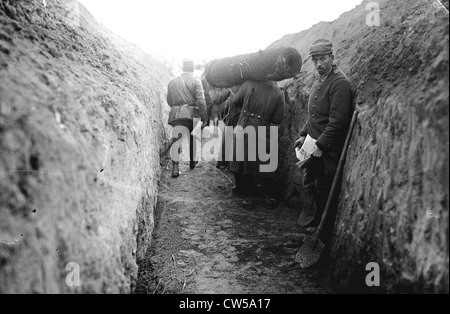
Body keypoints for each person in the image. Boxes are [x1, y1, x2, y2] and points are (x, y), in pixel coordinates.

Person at [294, 39, 354, 240]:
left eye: (323, 59)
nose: (319, 64)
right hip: (312, 144)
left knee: (324, 189)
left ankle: (324, 230)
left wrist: (320, 145)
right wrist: (303, 134)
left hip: (327, 149)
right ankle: (316, 218)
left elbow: (338, 122)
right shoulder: (319, 79)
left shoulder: (339, 84)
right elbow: (313, 114)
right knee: (310, 183)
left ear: (332, 57)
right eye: (316, 60)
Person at [229, 80, 285, 196]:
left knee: (244, 161)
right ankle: (268, 197)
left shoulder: (248, 84)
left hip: (245, 125)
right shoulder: (278, 91)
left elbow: (235, 101)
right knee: (264, 161)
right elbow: (277, 119)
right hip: (264, 128)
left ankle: (248, 196)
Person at [167, 60, 208, 178]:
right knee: (193, 138)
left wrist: (177, 108)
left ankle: (175, 168)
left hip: (176, 114)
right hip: (192, 114)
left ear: (183, 68)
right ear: (193, 69)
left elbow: (169, 100)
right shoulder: (196, 81)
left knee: (176, 141)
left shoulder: (173, 82)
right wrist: (204, 117)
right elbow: (201, 101)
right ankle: (192, 162)